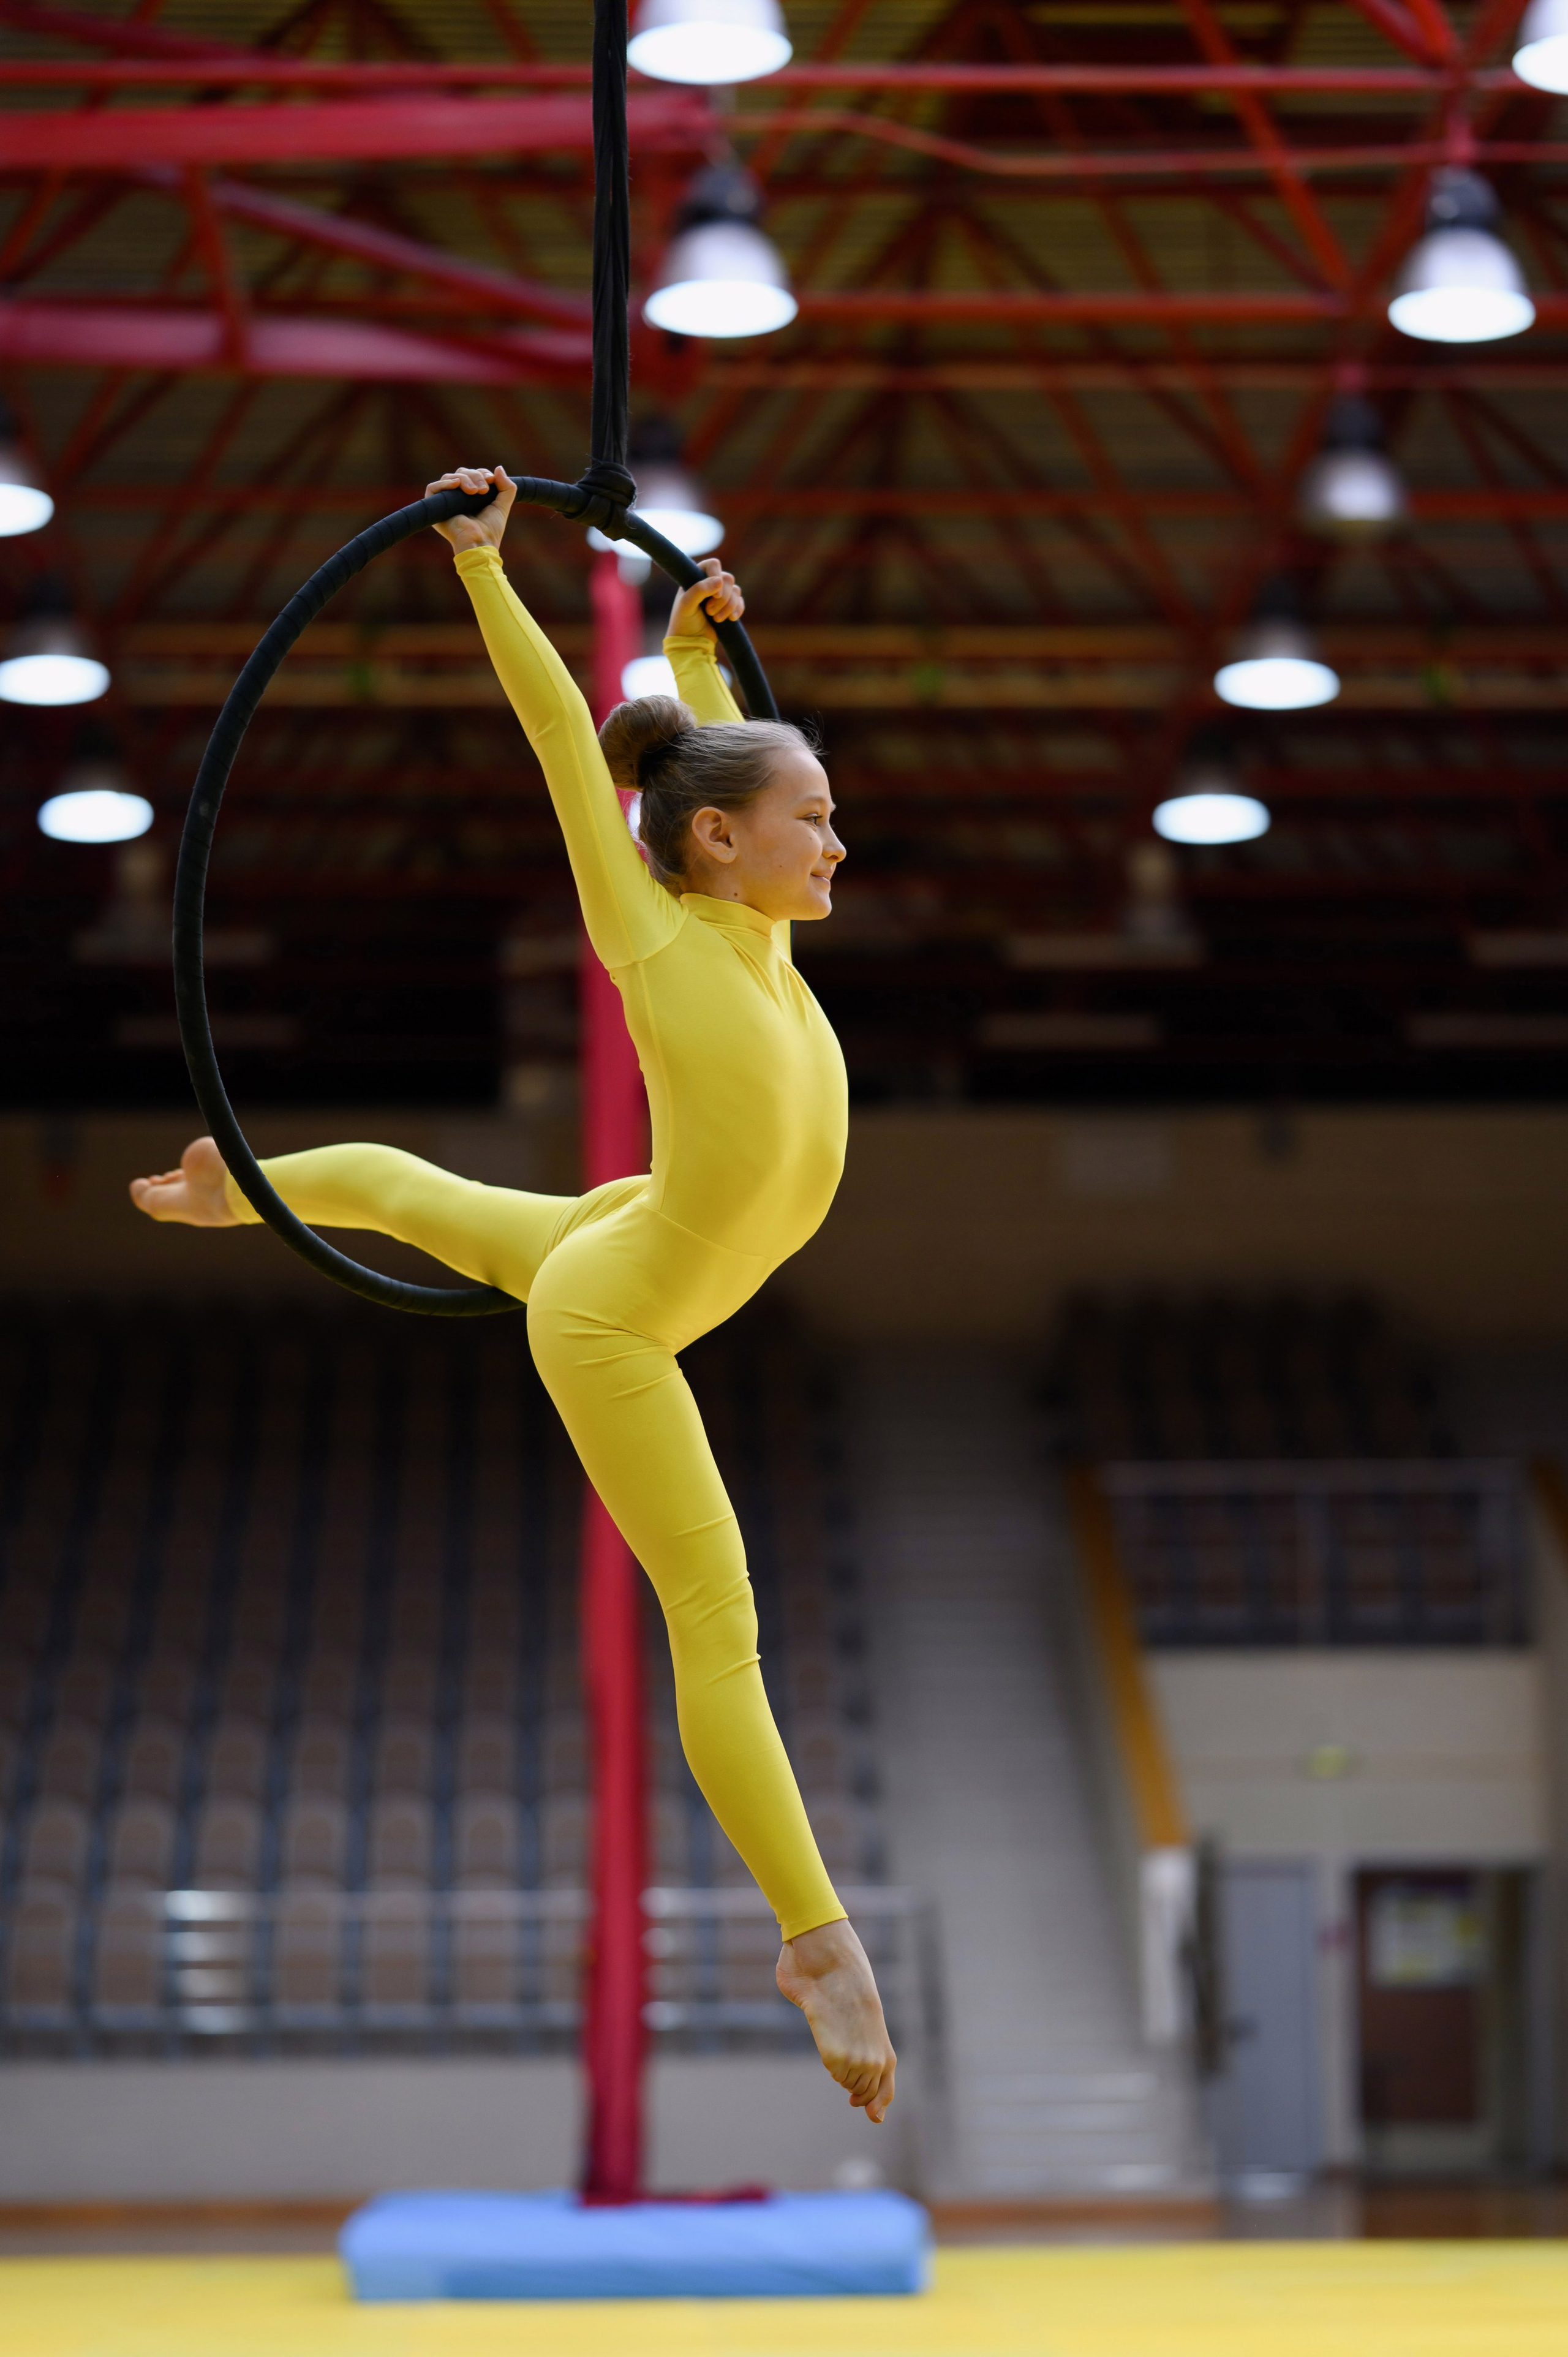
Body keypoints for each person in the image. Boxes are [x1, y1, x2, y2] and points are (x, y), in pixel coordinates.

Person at [131, 466, 895, 2123]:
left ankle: (233, 1189)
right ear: (719, 841)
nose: (838, 840)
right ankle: (816, 1937)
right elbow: (567, 741)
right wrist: (485, 567)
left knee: (437, 1204)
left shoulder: (759, 931)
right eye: (817, 818)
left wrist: (693, 652)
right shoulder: (661, 936)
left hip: (650, 1235)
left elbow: (704, 753)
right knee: (719, 1618)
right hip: (621, 1307)